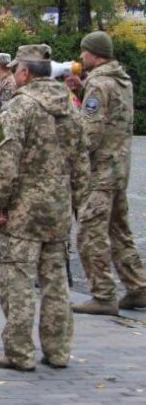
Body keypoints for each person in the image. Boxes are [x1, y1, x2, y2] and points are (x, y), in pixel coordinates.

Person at [0, 44, 88, 371]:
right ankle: (58, 351)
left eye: (17, 71)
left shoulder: (20, 107)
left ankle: (19, 352)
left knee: (17, 280)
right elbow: (82, 160)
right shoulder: (70, 107)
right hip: (57, 208)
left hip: (23, 209)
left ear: (25, 73)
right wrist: (78, 201)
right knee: (55, 283)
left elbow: (5, 159)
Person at [73, 31, 146, 315]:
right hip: (119, 168)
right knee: (119, 229)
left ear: (95, 53)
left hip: (100, 171)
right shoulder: (121, 80)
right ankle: (138, 286)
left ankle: (103, 294)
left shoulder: (99, 84)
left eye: (84, 52)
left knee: (90, 232)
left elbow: (90, 132)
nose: (81, 57)